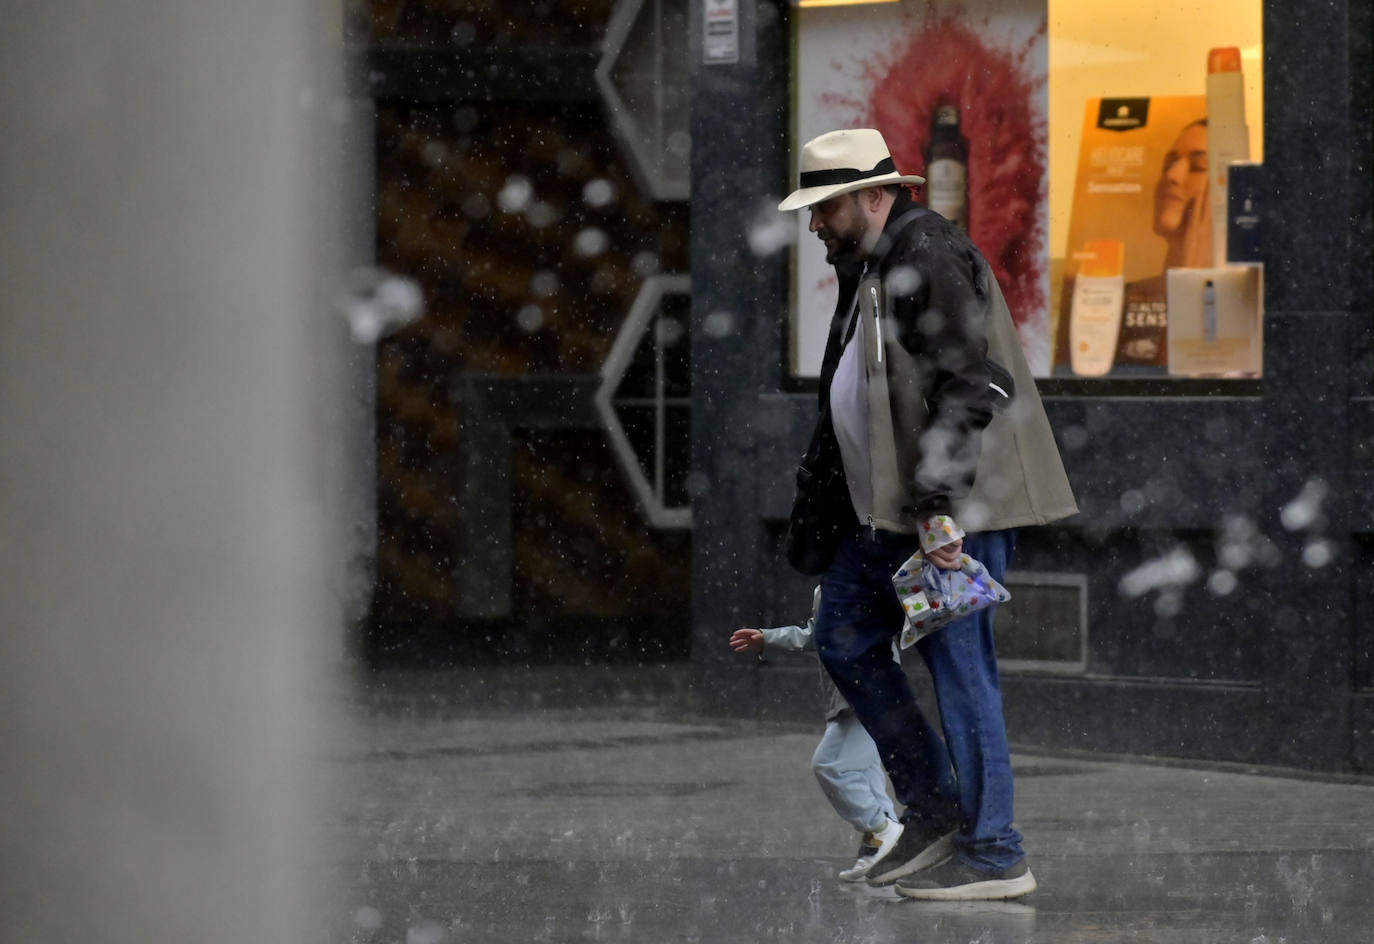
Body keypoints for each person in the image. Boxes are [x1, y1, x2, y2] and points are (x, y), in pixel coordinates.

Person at [776, 128, 1078, 900]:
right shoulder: (873, 263)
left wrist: (941, 512)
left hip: (945, 518)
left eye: (825, 209)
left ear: (873, 197)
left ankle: (996, 855)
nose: (814, 225)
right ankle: (938, 810)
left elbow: (973, 385)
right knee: (842, 639)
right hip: (884, 516)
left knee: (960, 671)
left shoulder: (927, 256)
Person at [728, 587, 903, 882]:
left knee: (829, 764)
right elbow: (818, 634)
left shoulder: (859, 576)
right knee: (865, 773)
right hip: (853, 695)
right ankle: (883, 851)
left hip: (866, 692)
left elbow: (874, 627)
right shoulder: (832, 584)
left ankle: (883, 831)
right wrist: (768, 639)